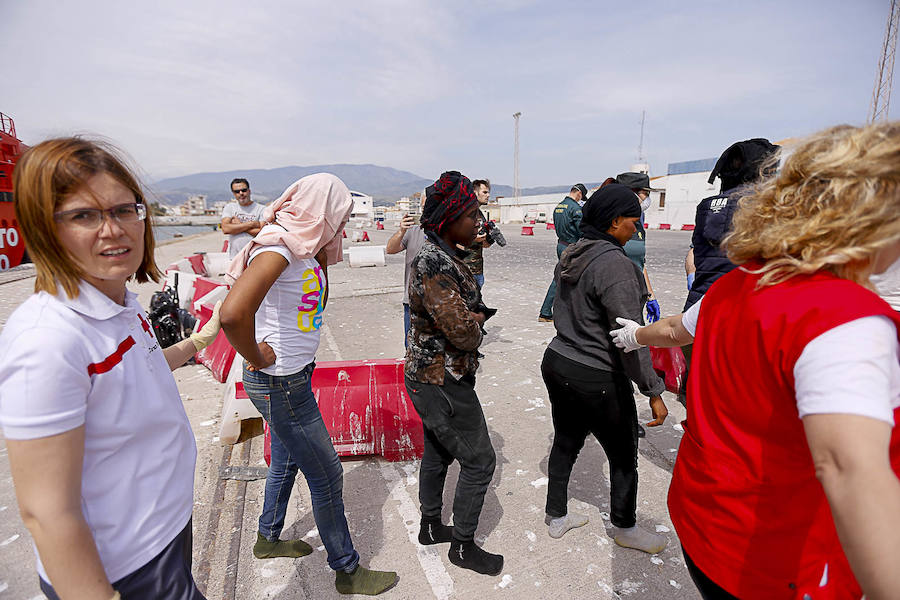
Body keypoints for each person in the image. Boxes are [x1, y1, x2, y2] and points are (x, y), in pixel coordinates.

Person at [611, 123, 900, 599]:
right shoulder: (844, 320)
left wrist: (633, 336)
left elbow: (674, 330)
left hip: (703, 522)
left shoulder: (736, 285)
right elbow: (849, 467)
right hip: (777, 561)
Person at [0, 138, 223, 599]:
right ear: (44, 228)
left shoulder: (119, 300)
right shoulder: (47, 339)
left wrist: (196, 342)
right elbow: (46, 512)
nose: (113, 229)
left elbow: (138, 372)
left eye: (125, 210)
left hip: (165, 534)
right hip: (124, 569)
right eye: (84, 215)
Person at [219, 173, 397, 596]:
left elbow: (310, 300)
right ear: (323, 210)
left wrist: (321, 251)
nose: (343, 224)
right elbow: (232, 314)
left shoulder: (301, 248)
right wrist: (255, 354)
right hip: (278, 382)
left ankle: (267, 538)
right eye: (340, 215)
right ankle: (348, 570)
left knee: (285, 458)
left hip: (291, 377)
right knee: (328, 473)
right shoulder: (279, 246)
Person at [540, 183, 669, 553]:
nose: (638, 228)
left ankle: (557, 516)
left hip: (559, 361)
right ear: (615, 222)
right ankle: (625, 528)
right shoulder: (616, 265)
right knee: (624, 454)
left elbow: (562, 312)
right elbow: (630, 338)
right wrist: (653, 391)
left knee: (566, 440)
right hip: (595, 374)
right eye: (634, 220)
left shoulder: (572, 253)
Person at [404, 171, 503, 576]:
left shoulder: (446, 253)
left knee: (439, 452)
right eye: (470, 214)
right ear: (449, 219)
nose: (477, 222)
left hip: (433, 376)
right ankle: (462, 547)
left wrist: (472, 315)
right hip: (441, 379)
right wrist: (478, 319)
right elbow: (462, 334)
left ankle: (430, 525)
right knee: (480, 461)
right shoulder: (434, 262)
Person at [614, 172, 660, 322]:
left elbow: (639, 262)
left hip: (635, 297)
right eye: (645, 193)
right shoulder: (613, 223)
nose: (647, 199)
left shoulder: (638, 220)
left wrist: (650, 294)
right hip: (615, 298)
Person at [538, 183, 587, 322]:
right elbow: (581, 230)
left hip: (561, 244)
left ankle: (550, 311)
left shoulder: (558, 206)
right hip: (572, 247)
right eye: (581, 197)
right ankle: (546, 312)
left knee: (563, 276)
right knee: (565, 278)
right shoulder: (575, 208)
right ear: (579, 194)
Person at [385, 193, 426, 347]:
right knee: (411, 347)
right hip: (413, 301)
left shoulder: (448, 231)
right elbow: (390, 249)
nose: (426, 209)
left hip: (440, 303)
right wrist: (402, 231)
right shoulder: (413, 230)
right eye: (423, 206)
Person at [459, 178, 494, 288]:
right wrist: (473, 238)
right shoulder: (463, 213)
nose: (488, 195)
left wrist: (489, 238)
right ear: (474, 192)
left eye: (488, 192)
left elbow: (484, 245)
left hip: (477, 270)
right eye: (484, 192)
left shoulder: (479, 214)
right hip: (464, 270)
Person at [220, 177, 265, 259]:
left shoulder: (262, 209)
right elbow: (226, 229)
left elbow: (262, 232)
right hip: (235, 257)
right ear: (234, 194)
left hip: (256, 256)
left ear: (249, 191)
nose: (241, 193)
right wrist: (251, 224)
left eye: (244, 190)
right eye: (237, 191)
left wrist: (239, 225)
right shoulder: (230, 207)